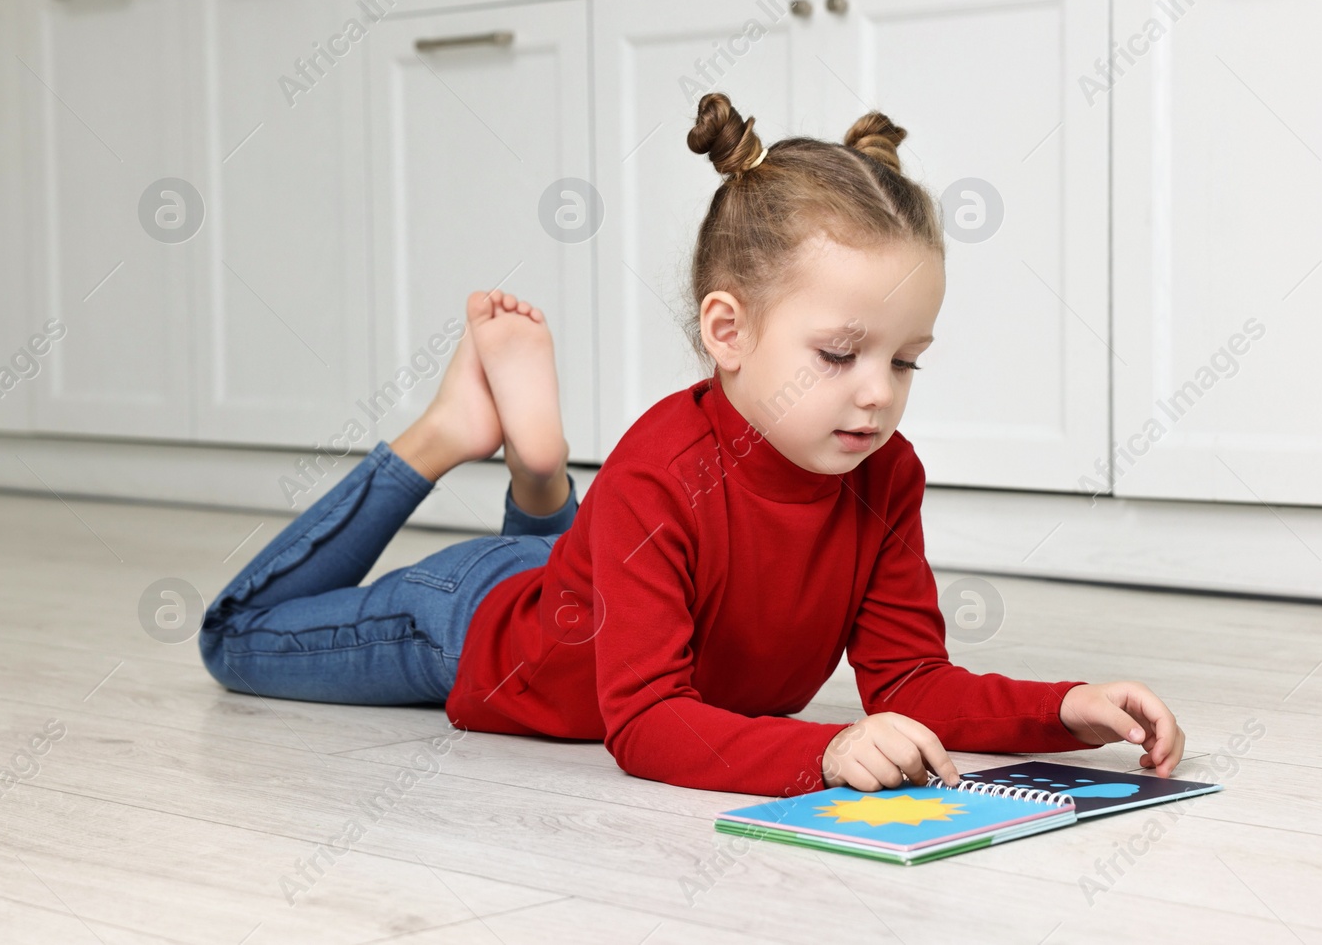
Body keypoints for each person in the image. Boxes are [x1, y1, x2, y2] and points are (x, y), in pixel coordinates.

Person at [200, 93, 1186, 798]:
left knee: (574, 570)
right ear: (728, 331)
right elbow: (642, 721)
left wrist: (1065, 707)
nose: (878, 393)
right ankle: (447, 435)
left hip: (592, 581)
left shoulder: (885, 474)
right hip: (475, 629)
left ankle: (542, 482)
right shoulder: (660, 472)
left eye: (907, 360)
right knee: (235, 636)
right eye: (840, 353)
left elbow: (912, 681)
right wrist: (823, 751)